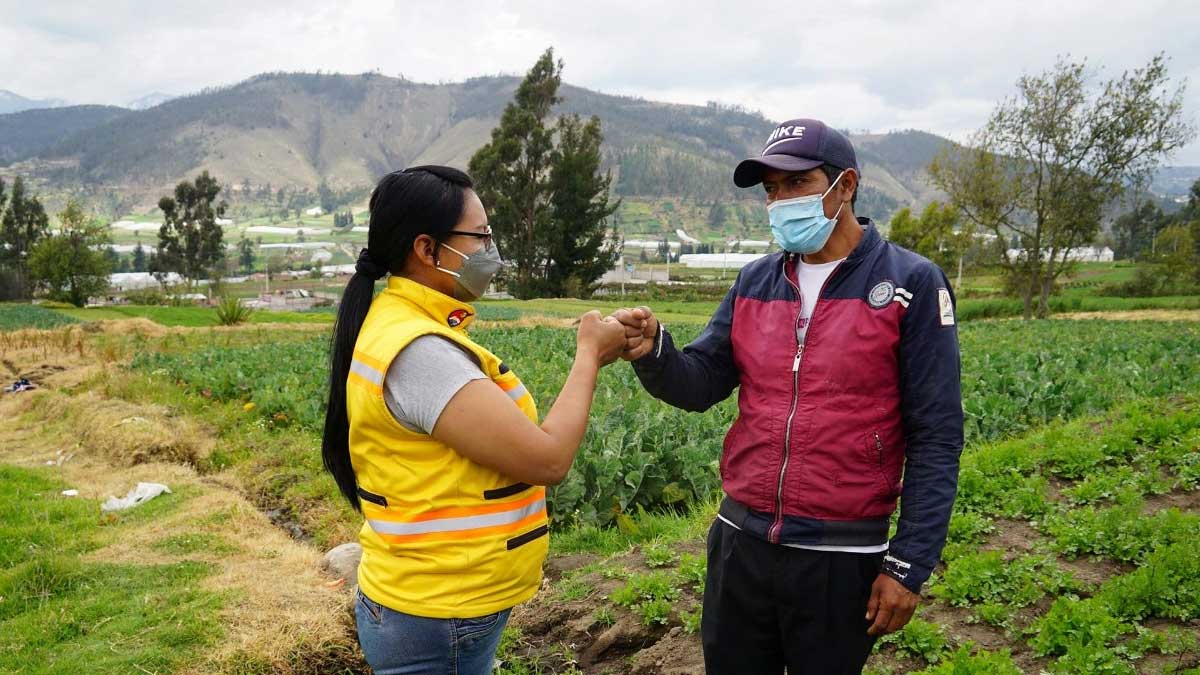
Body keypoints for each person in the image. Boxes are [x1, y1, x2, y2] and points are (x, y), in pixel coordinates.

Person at [613, 119, 964, 674]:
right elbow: (702, 380)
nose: (780, 201)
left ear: (845, 186)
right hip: (740, 542)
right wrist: (655, 350)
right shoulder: (756, 281)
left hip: (839, 555)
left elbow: (937, 434)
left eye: (796, 184)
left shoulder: (910, 285)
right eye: (771, 190)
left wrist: (908, 564)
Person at [321, 165, 627, 675]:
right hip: (441, 612)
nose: (492, 248)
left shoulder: (399, 325)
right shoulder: (419, 353)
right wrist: (588, 356)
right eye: (480, 235)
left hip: (431, 599)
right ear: (427, 249)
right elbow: (548, 459)